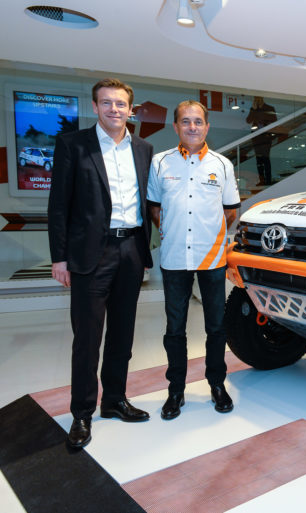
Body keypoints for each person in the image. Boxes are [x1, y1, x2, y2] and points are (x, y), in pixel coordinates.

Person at [48, 78, 154, 449]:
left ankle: (114, 400)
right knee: (87, 338)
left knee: (123, 333)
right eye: (106, 103)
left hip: (131, 251)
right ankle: (81, 413)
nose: (114, 109)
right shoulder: (73, 145)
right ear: (94, 107)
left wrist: (144, 252)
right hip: (90, 254)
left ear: (131, 108)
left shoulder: (144, 148)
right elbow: (59, 206)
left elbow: (146, 203)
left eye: (121, 104)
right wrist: (59, 257)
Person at [148, 100, 241, 420]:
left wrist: (212, 237)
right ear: (175, 127)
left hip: (213, 258)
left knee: (215, 327)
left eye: (198, 122)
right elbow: (154, 208)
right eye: (185, 121)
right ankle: (176, 390)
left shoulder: (222, 164)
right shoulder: (160, 163)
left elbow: (231, 211)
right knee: (175, 329)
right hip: (174, 258)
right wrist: (173, 233)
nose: (192, 127)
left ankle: (217, 383)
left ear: (206, 127)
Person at [245, 96, 277, 185]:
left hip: (266, 137)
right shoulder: (254, 109)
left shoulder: (269, 108)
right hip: (256, 137)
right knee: (258, 159)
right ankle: (262, 180)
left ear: (262, 99)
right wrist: (253, 109)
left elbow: (274, 121)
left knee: (266, 158)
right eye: (255, 99)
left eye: (258, 99)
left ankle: (268, 180)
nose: (257, 101)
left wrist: (265, 123)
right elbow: (248, 120)